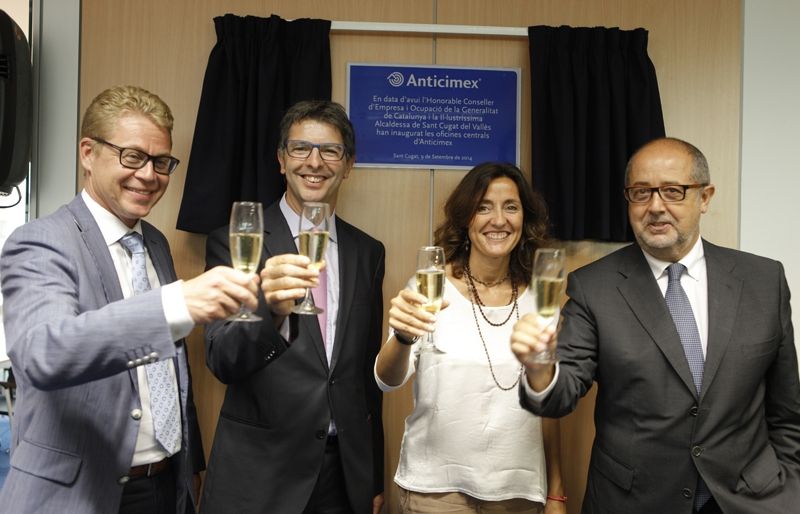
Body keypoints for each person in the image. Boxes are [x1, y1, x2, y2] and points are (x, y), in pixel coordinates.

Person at [0, 85, 260, 513]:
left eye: (161, 162)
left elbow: (169, 369)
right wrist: (175, 305)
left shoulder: (154, 242)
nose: (149, 175)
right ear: (88, 153)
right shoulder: (41, 241)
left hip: (164, 486)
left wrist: (186, 463)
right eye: (133, 156)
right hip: (79, 493)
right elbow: (41, 353)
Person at [511, 137, 800, 514]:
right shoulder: (594, 287)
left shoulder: (764, 280)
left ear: (705, 197)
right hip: (634, 501)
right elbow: (560, 394)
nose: (656, 207)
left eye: (673, 191)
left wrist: (790, 493)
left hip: (747, 501)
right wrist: (539, 368)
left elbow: (787, 412)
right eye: (641, 193)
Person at [200, 100, 385, 514]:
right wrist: (271, 309)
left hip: (343, 476)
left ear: (348, 164)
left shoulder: (368, 251)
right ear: (281, 160)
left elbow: (365, 376)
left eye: (330, 151)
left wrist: (372, 473)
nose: (314, 162)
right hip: (262, 473)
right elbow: (222, 359)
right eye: (300, 148)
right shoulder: (237, 241)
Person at [376, 162, 566, 514]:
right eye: (483, 207)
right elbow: (387, 381)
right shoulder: (429, 287)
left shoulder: (542, 299)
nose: (498, 219)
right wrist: (402, 338)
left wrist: (556, 490)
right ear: (466, 219)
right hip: (435, 490)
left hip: (517, 491)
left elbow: (548, 403)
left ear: (524, 219)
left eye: (510, 206)